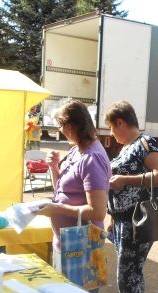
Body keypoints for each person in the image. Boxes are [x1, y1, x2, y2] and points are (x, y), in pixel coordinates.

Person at [105, 100, 158, 293]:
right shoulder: (128, 146)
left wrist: (125, 180)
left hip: (137, 222)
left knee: (127, 276)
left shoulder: (145, 143)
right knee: (129, 275)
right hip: (123, 221)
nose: (112, 133)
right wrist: (112, 216)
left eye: (112, 127)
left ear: (121, 122)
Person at [37, 99, 111, 268]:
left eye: (60, 126)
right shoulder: (76, 149)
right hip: (68, 243)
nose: (60, 130)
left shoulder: (92, 159)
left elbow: (98, 212)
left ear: (70, 126)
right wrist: (54, 167)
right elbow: (62, 191)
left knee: (78, 285)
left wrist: (57, 209)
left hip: (82, 247)